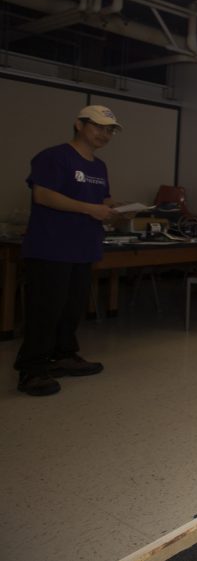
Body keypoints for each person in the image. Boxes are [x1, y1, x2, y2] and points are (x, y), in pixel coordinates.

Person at [14, 105, 121, 396]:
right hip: (51, 246)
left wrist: (115, 209)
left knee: (72, 308)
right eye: (98, 127)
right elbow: (43, 195)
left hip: (83, 247)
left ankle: (64, 355)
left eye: (110, 130)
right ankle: (32, 369)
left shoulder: (99, 166)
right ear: (78, 124)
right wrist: (90, 209)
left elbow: (102, 200)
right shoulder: (54, 157)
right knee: (46, 309)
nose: (104, 134)